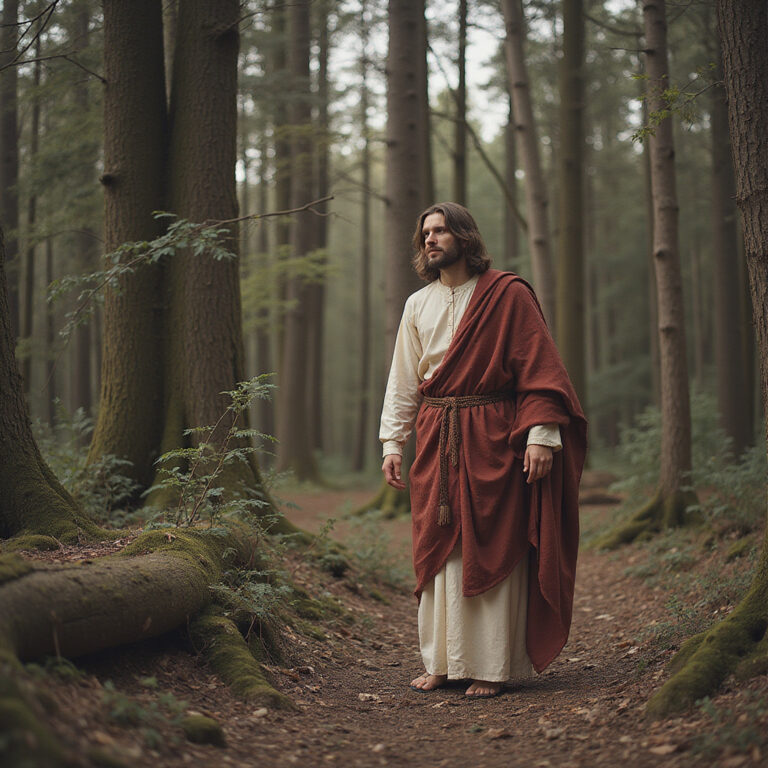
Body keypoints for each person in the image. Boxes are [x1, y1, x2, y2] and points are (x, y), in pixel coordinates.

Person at [379, 202, 587, 698]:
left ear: (465, 237)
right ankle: (443, 662)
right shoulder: (417, 304)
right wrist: (393, 441)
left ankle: (490, 665)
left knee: (492, 544)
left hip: (494, 433)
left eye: (442, 230)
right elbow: (404, 380)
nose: (431, 239)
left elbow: (540, 369)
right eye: (425, 232)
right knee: (439, 546)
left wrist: (541, 434)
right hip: (435, 436)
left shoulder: (507, 295)